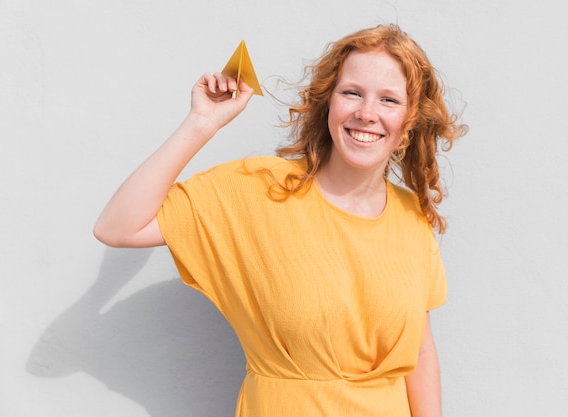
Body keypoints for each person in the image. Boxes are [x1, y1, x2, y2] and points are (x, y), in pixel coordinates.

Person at [94, 24, 466, 417]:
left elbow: (420, 351)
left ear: (410, 119)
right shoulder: (259, 188)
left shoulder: (412, 216)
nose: (366, 113)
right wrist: (202, 123)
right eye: (352, 92)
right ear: (328, 102)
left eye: (389, 100)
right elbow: (117, 227)